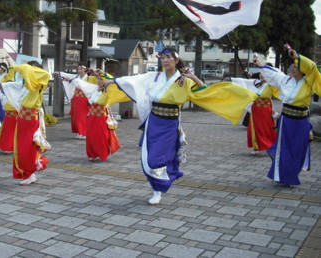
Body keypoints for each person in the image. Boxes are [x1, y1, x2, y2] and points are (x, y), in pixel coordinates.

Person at [103, 47, 257, 205]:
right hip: (154, 122)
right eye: (163, 57)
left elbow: (204, 91)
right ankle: (158, 186)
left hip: (170, 124)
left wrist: (193, 77)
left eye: (169, 57)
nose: (165, 60)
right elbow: (132, 80)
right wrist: (109, 81)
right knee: (148, 160)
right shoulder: (154, 77)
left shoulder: (184, 80)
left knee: (159, 158)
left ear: (176, 60)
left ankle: (158, 189)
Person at [253, 47, 321, 186]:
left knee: (298, 149)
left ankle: (291, 173)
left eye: (296, 66)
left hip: (301, 120)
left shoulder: (309, 81)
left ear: (303, 69)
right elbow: (271, 74)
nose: (292, 68)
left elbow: (312, 66)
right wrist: (259, 63)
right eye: (291, 66)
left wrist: (296, 56)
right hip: (286, 120)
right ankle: (283, 176)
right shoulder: (284, 80)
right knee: (283, 148)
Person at [0, 61, 51, 185]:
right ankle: (27, 172)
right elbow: (14, 85)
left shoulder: (39, 82)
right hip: (23, 118)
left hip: (31, 119)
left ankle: (30, 173)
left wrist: (17, 67)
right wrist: (3, 85)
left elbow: (43, 74)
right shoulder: (28, 84)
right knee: (21, 147)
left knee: (28, 148)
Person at [67, 68, 130, 162]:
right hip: (91, 116)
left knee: (100, 137)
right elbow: (82, 84)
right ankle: (92, 154)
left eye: (101, 79)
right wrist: (70, 79)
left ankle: (102, 153)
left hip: (101, 117)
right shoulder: (95, 88)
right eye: (98, 79)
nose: (99, 81)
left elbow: (115, 83)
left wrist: (104, 73)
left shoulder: (109, 90)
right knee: (91, 137)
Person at [227, 72, 280, 154]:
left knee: (267, 128)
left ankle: (270, 145)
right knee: (255, 128)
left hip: (266, 110)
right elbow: (244, 81)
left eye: (264, 74)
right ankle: (256, 147)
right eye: (261, 74)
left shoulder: (271, 85)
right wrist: (231, 79)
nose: (262, 75)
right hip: (255, 109)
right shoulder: (255, 83)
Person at [56, 65, 91, 140]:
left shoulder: (89, 78)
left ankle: (84, 133)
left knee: (83, 116)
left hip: (84, 98)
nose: (79, 70)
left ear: (85, 70)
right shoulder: (76, 76)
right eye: (78, 68)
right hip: (76, 98)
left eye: (81, 69)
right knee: (76, 116)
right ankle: (79, 132)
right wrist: (58, 73)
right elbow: (67, 75)